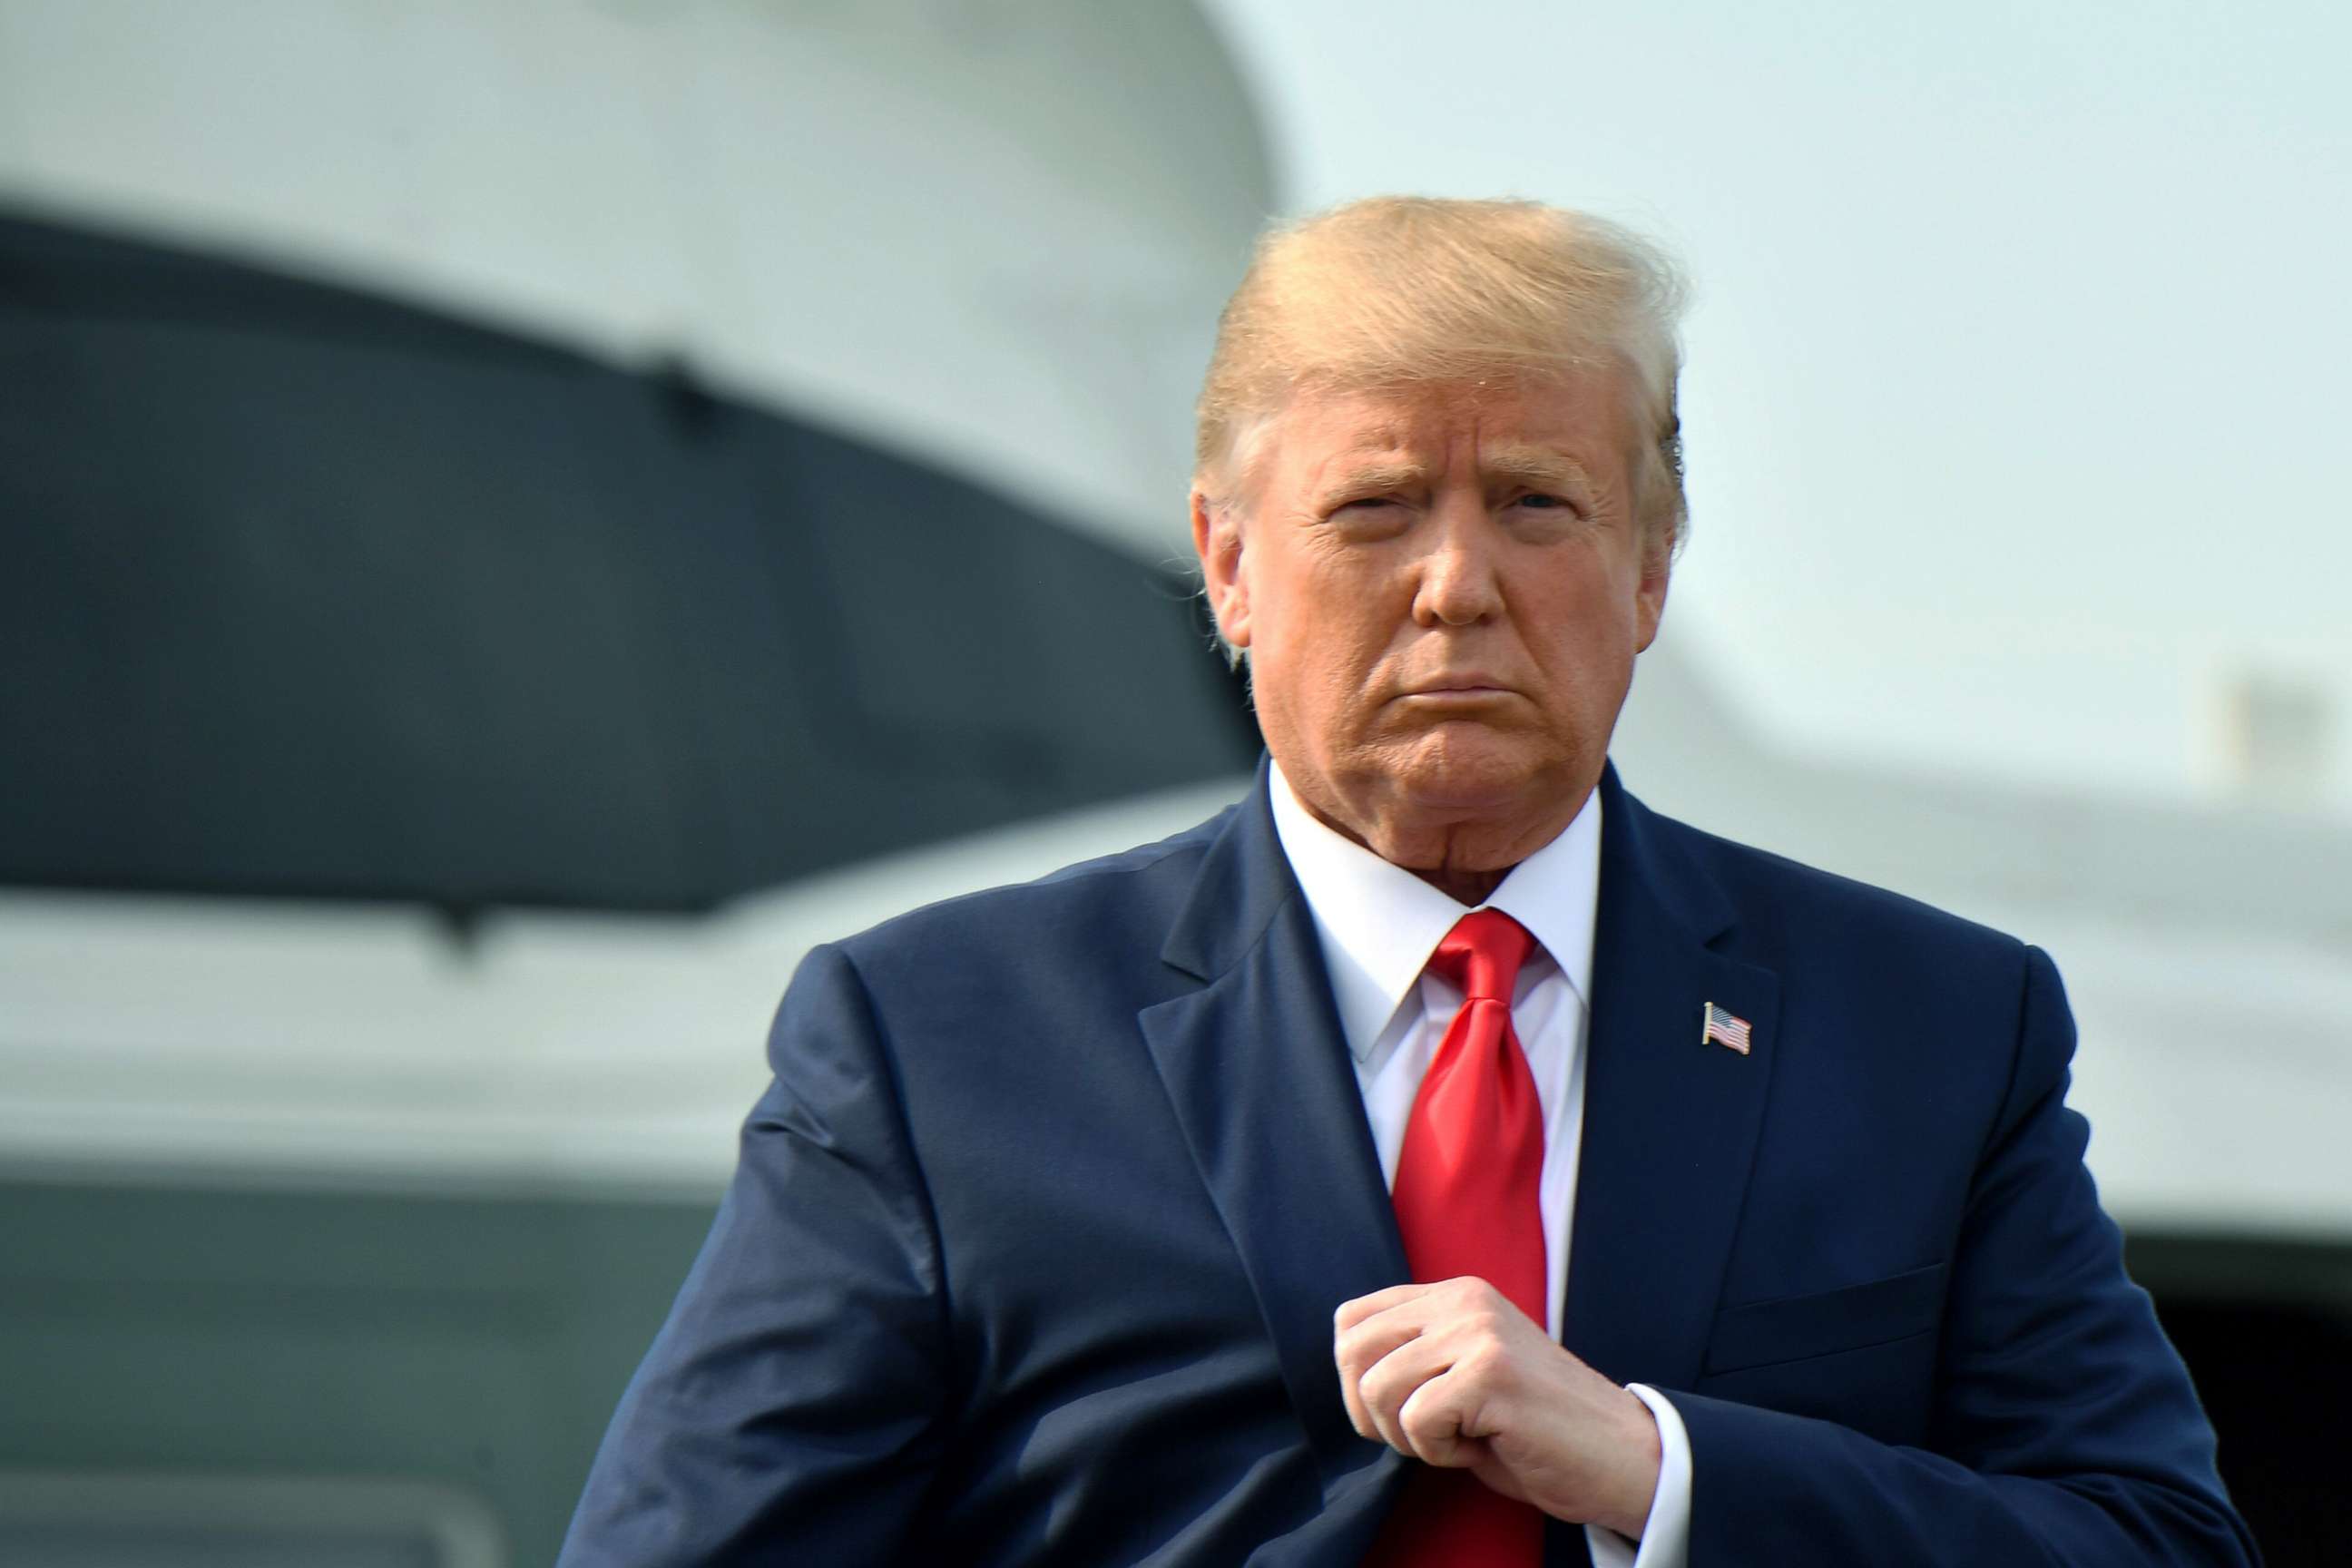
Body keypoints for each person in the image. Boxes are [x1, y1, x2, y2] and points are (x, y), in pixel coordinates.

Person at [557, 197, 2258, 1567]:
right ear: (1229, 568)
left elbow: (2157, 1541)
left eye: (1536, 502)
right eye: (1375, 509)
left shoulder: (1931, 1032)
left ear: (1654, 566)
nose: (1457, 584)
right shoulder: (935, 1047)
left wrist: (1661, 1473)